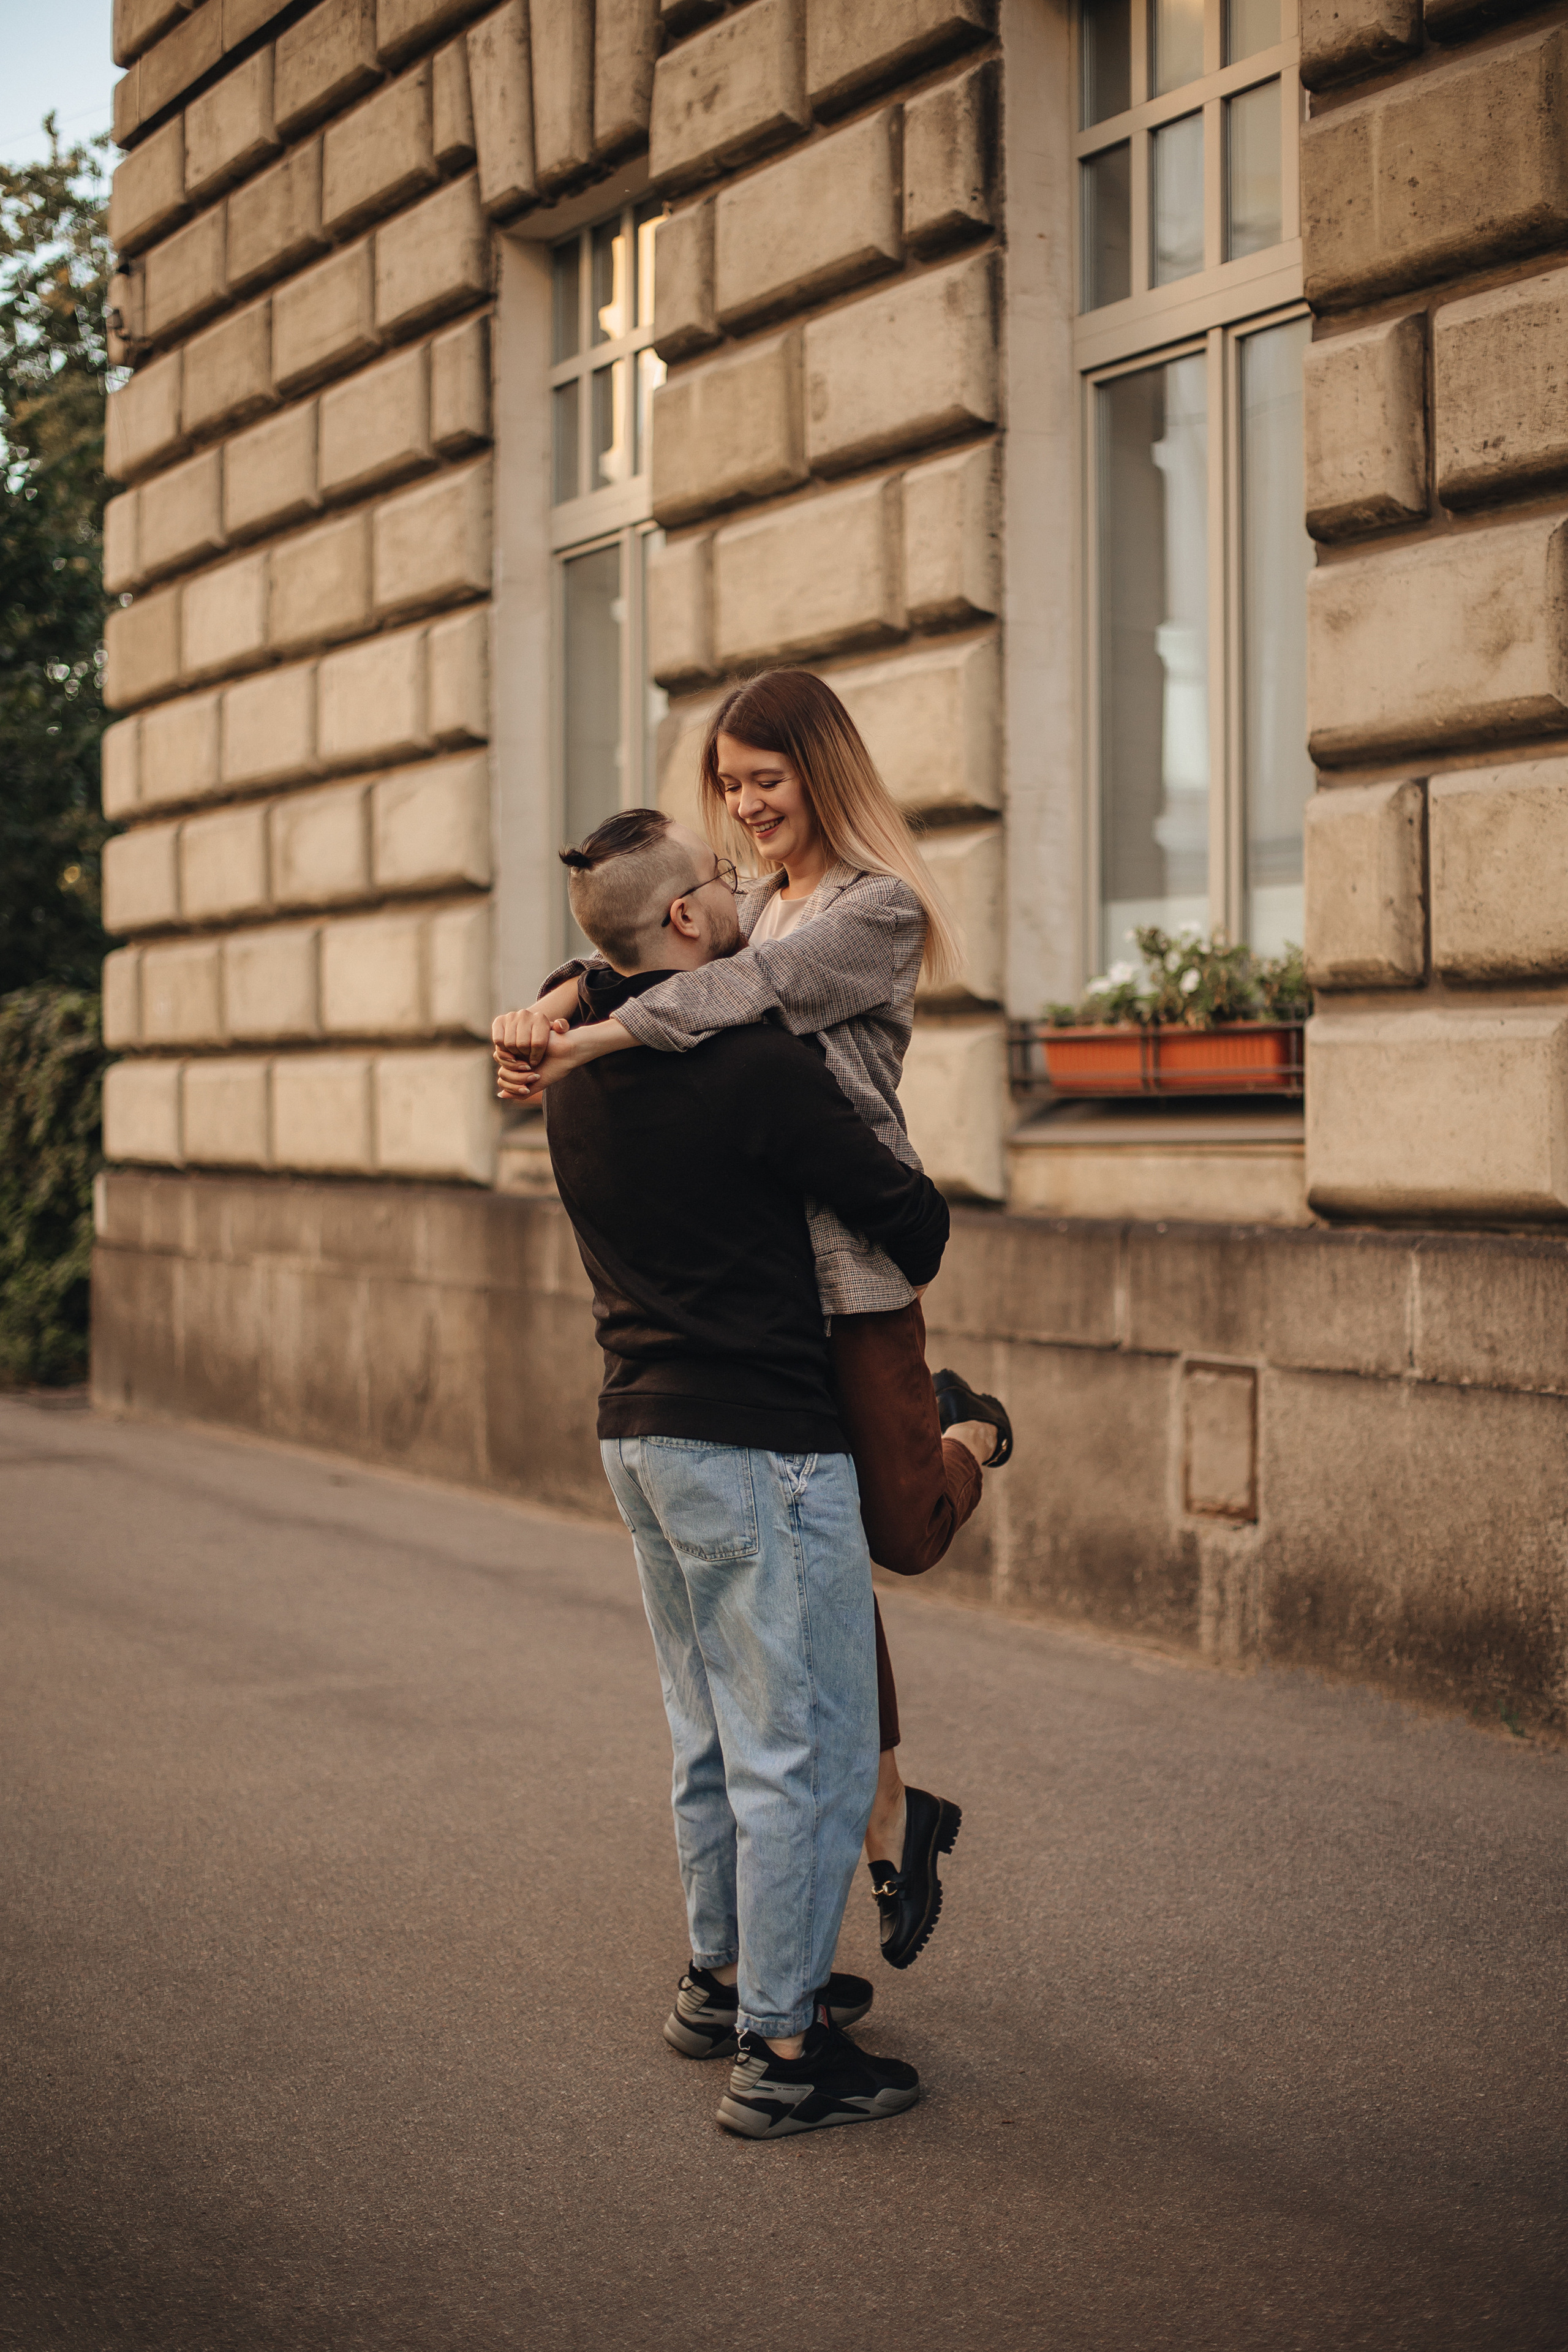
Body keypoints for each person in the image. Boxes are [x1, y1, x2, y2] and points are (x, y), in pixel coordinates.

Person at [494, 669, 1015, 1972]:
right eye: (725, 785)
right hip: (773, 1292)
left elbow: (730, 993)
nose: (741, 806)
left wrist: (581, 1040)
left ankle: (971, 1427)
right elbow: (646, 935)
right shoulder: (752, 890)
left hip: (857, 1269)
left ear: (819, 773)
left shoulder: (869, 911)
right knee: (817, 1569)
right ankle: (890, 1813)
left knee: (894, 1536)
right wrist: (560, 992)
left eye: (764, 781)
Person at [538, 803, 951, 2138]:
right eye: (716, 884)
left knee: (710, 1728)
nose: (735, 894)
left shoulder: (572, 1068)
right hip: (761, 1438)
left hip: (638, 1433)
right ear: (680, 923)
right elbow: (912, 1220)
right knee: (805, 1747)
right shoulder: (751, 1066)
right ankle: (781, 2052)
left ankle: (723, 1979)